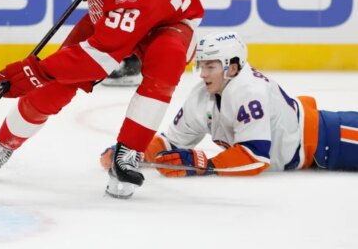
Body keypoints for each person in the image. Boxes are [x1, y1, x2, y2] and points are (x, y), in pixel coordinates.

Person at [0, 0, 205, 199]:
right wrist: (45, 75)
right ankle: (4, 144)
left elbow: (98, 58)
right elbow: (99, 26)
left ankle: (128, 153)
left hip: (168, 25)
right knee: (57, 85)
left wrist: (36, 71)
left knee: (165, 63)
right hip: (120, 16)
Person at [101, 31, 358, 177]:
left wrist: (203, 164)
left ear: (232, 67)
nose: (202, 73)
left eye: (210, 66)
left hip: (335, 137)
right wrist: (132, 151)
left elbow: (255, 158)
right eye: (201, 65)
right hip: (314, 151)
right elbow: (172, 141)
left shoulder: (249, 91)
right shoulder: (202, 95)